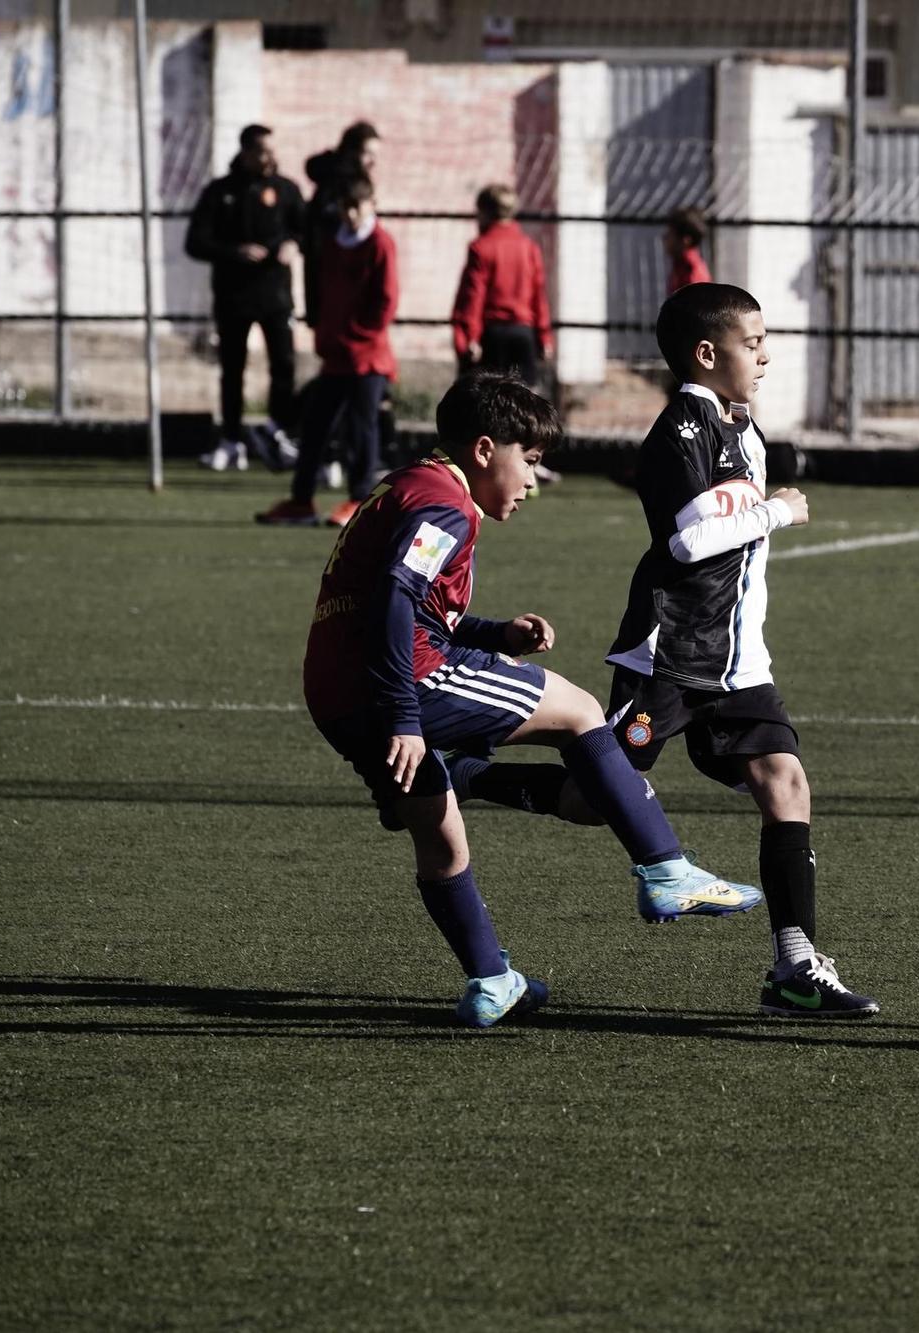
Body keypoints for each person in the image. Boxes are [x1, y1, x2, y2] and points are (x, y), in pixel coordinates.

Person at [447, 283, 879, 1019]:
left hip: (739, 662)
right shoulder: (680, 429)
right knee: (593, 801)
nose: (766, 354)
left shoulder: (746, 432)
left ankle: (796, 965)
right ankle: (469, 774)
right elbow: (685, 540)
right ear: (707, 354)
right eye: (753, 342)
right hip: (669, 657)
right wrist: (778, 511)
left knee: (787, 783)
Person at [300, 373, 761, 1028]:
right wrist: (405, 717)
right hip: (404, 680)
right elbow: (396, 599)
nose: (534, 480)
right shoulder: (444, 507)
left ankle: (492, 979)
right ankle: (666, 870)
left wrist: (495, 633)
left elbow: (408, 604)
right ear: (486, 449)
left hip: (338, 693)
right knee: (578, 711)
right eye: (532, 460)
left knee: (442, 841)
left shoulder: (407, 487)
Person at [258, 175, 396, 528]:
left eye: (357, 207)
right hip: (335, 357)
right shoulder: (334, 242)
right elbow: (324, 293)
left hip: (367, 358)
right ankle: (301, 501)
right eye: (345, 207)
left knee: (361, 431)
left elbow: (386, 300)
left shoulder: (380, 243)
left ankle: (359, 500)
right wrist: (324, 332)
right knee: (315, 427)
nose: (350, 214)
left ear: (371, 205)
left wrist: (357, 334)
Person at [184, 124, 303, 473]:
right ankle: (230, 440)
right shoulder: (221, 192)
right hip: (234, 297)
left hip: (276, 296)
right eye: (263, 151)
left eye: (272, 150)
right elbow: (196, 242)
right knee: (232, 369)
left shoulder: (287, 190)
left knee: (283, 366)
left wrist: (293, 243)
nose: (270, 157)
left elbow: (307, 231)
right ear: (247, 152)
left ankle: (279, 435)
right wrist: (234, 252)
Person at [452, 185, 553, 386]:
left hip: (493, 336)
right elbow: (538, 297)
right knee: (523, 401)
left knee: (488, 398)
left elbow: (474, 297)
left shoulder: (480, 247)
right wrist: (545, 337)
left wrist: (471, 337)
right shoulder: (529, 248)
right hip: (523, 334)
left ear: (486, 212)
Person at [302, 121, 380, 329]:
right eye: (367, 153)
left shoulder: (339, 179)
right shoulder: (340, 184)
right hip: (335, 270)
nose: (373, 161)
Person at [663, 207, 711, 295]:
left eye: (670, 233)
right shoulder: (680, 265)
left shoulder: (692, 271)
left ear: (686, 240)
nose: (665, 237)